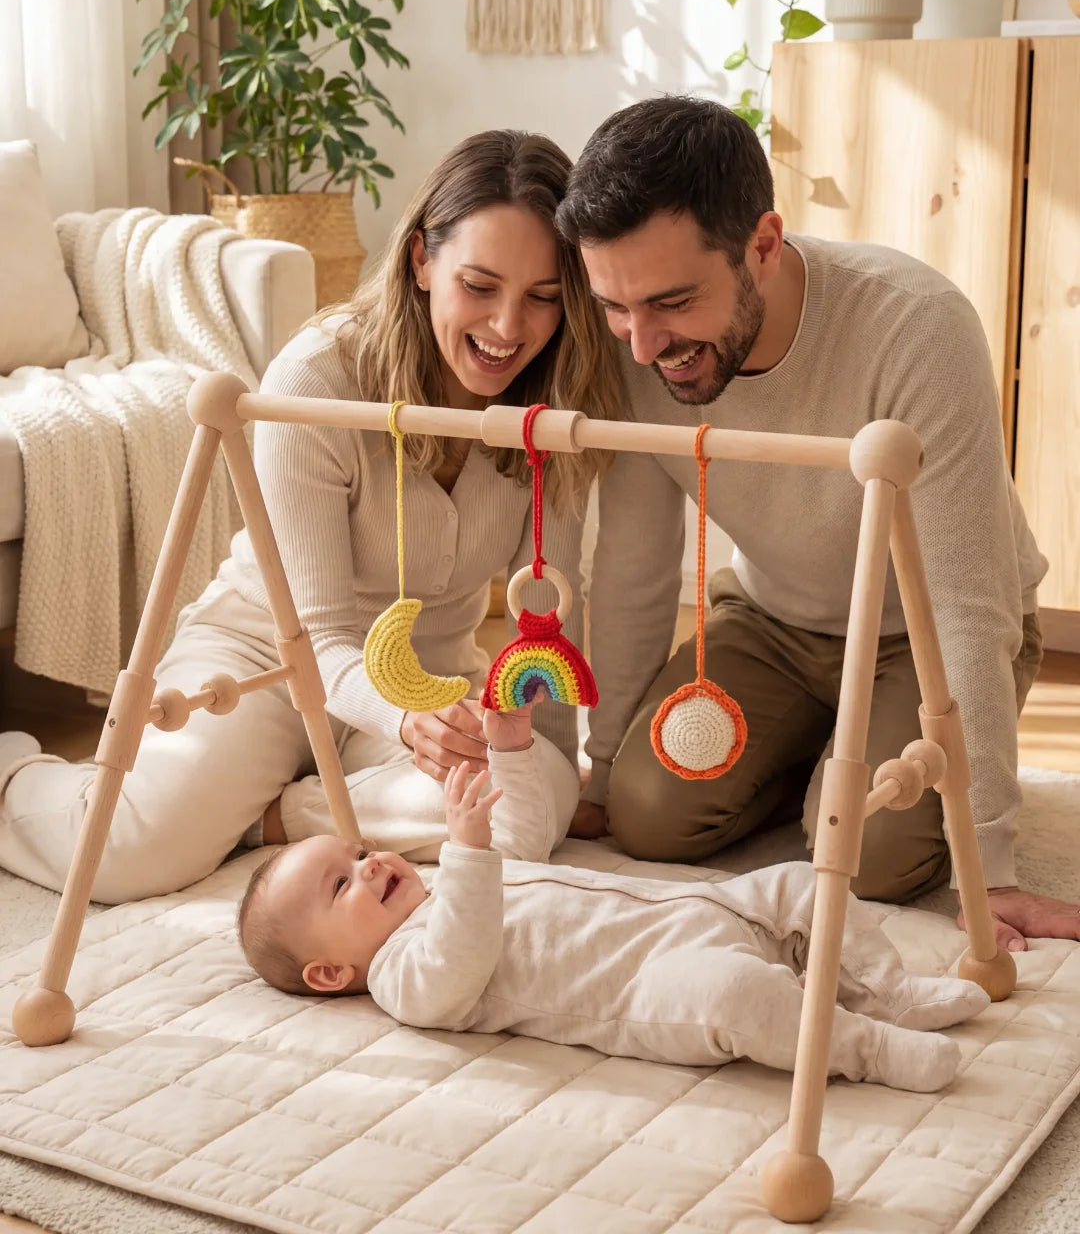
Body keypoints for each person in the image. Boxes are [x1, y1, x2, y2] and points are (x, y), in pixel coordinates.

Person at [0, 130, 623, 903]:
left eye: (543, 298)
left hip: (422, 680)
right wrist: (402, 723)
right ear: (422, 263)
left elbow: (545, 625)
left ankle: (276, 815)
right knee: (124, 857)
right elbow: (321, 637)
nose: (507, 327)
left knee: (524, 818)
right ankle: (11, 776)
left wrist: (559, 770)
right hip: (269, 655)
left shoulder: (555, 398)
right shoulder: (318, 377)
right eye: (481, 285)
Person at [555, 94, 1074, 956]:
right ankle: (817, 748)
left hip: (922, 633)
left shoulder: (916, 327)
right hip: (772, 622)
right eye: (617, 305)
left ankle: (845, 754)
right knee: (647, 816)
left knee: (873, 857)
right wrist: (605, 769)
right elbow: (636, 568)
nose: (643, 345)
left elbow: (967, 604)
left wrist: (991, 858)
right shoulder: (632, 345)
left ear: (762, 243)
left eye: (673, 303)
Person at [237, 698, 989, 1093]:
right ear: (332, 972)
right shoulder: (405, 974)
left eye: (360, 853)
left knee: (802, 885)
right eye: (343, 884)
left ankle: (886, 991)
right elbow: (458, 964)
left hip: (696, 913)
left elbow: (525, 834)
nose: (370, 866)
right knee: (738, 997)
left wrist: (507, 748)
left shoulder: (441, 884)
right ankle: (867, 1048)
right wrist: (464, 853)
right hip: (657, 988)